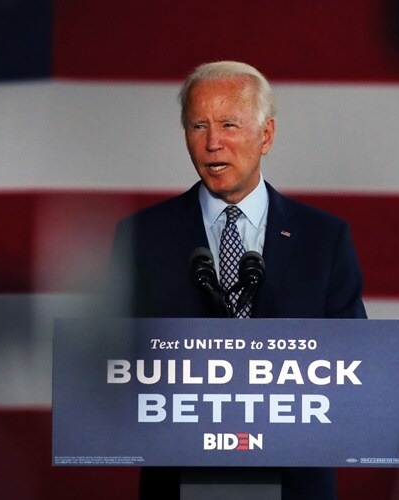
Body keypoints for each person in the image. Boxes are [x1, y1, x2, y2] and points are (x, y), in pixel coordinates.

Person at [107, 60, 367, 499]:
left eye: (229, 124)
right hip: (179, 479)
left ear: (266, 135)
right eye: (198, 126)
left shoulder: (324, 238)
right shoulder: (141, 236)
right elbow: (110, 365)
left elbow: (355, 368)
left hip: (294, 483)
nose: (213, 143)